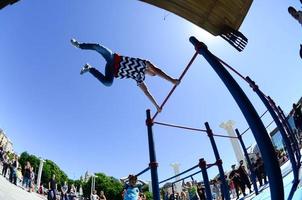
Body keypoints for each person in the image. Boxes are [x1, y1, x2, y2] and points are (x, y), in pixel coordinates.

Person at [71, 39, 180, 112]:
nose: (152, 73)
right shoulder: (145, 63)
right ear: (150, 69)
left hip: (111, 70)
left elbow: (147, 92)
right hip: (113, 58)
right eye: (153, 72)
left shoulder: (139, 78)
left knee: (108, 83)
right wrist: (172, 80)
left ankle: (89, 68)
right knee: (98, 47)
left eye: (152, 75)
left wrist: (156, 106)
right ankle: (79, 45)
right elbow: (157, 70)